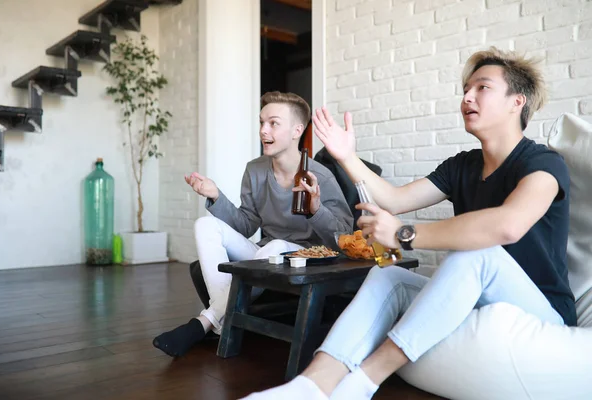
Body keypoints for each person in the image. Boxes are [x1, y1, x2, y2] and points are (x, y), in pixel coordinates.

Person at [242, 47, 576, 400]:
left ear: (516, 102)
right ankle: (310, 386)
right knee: (388, 273)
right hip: (484, 300)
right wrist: (346, 156)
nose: (467, 96)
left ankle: (361, 384)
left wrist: (403, 235)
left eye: (482, 87)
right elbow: (393, 199)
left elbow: (508, 225)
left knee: (476, 254)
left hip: (543, 312)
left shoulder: (544, 163)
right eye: (465, 88)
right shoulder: (462, 165)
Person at [152, 91, 353, 357]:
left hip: (306, 260)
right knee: (205, 224)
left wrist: (315, 209)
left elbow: (344, 236)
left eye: (273, 123)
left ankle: (205, 322)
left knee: (278, 245)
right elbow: (246, 225)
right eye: (261, 122)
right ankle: (220, 320)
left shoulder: (320, 176)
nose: (263, 130)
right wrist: (216, 196)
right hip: (265, 256)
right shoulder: (255, 170)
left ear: (297, 130)